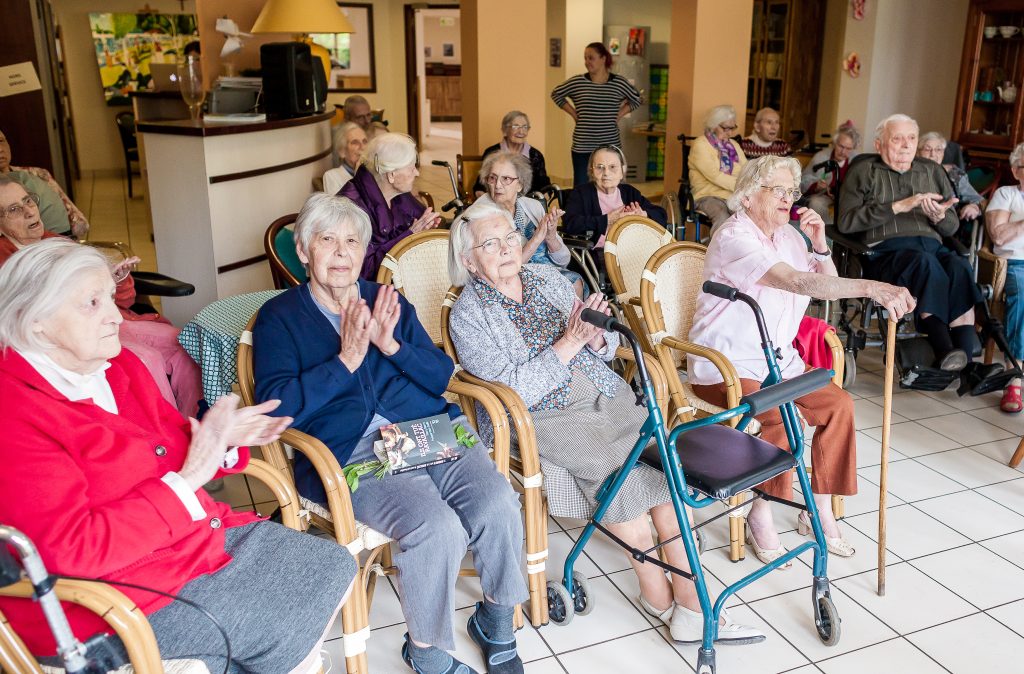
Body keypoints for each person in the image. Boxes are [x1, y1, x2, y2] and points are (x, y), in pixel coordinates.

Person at [0, 239, 356, 673]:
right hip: (109, 604)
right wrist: (186, 482)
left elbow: (170, 447)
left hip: (185, 544)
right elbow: (69, 552)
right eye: (92, 303)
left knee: (333, 565)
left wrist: (221, 440)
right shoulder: (14, 416)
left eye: (109, 298)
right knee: (287, 625)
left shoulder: (117, 366)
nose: (116, 317)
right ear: (35, 321)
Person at [447, 200, 764, 646]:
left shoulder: (546, 278)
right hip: (540, 416)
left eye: (511, 237)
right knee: (620, 474)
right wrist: (568, 343)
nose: (506, 248)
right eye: (490, 243)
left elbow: (607, 342)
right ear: (468, 260)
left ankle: (688, 601)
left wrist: (596, 338)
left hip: (603, 394)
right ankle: (663, 595)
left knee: (660, 461)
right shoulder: (468, 315)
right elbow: (511, 389)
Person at [253, 193, 526, 674]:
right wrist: (345, 362)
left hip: (431, 431)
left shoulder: (386, 300)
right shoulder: (280, 319)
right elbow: (276, 409)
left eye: (352, 241)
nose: (341, 252)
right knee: (436, 526)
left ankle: (496, 622)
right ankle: (427, 652)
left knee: (498, 502)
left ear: (364, 251)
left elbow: (439, 376)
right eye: (327, 240)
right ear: (303, 250)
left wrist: (392, 346)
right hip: (352, 452)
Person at [688, 155, 915, 564]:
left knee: (838, 406)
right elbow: (795, 281)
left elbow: (825, 283)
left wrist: (821, 245)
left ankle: (819, 509)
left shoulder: (790, 237)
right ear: (748, 196)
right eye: (778, 190)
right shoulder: (734, 236)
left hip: (779, 362)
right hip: (726, 366)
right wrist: (872, 287)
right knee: (779, 415)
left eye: (791, 191)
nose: (788, 199)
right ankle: (761, 510)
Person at [0, 176, 201, 417]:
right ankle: (166, 433)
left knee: (185, 343)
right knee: (147, 360)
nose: (29, 212)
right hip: (75, 335)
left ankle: (193, 422)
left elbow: (123, 302)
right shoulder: (7, 267)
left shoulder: (58, 243)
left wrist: (117, 280)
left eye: (28, 201)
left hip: (114, 320)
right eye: (14, 209)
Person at [838, 113, 981, 372]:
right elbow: (846, 222)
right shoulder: (864, 171)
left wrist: (939, 217)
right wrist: (897, 206)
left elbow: (952, 225)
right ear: (879, 144)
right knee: (924, 264)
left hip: (931, 246)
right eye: (897, 139)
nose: (906, 145)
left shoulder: (932, 171)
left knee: (959, 267)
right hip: (884, 252)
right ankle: (944, 350)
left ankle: (967, 367)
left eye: (912, 138)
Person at [473, 150, 583, 297]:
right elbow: (503, 271)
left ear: (520, 184)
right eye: (492, 178)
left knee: (574, 281)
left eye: (506, 179)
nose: (497, 185)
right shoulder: (482, 215)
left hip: (548, 277)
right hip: (509, 285)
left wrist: (550, 237)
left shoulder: (533, 206)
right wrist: (536, 239)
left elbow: (563, 261)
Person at [338, 133, 441, 280]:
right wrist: (410, 236)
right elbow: (364, 270)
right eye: (411, 168)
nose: (417, 173)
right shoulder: (349, 208)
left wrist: (426, 229)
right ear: (391, 175)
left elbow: (419, 221)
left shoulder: (397, 194)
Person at [551, 42, 642, 188]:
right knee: (582, 187)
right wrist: (574, 114)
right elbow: (556, 94)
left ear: (603, 58)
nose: (587, 62)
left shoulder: (618, 83)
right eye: (585, 58)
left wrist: (619, 114)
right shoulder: (578, 82)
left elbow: (637, 99)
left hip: (610, 146)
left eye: (591, 58)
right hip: (583, 146)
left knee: (610, 186)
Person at [562, 145, 667, 248]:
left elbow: (661, 215)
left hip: (633, 251)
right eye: (599, 167)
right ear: (592, 171)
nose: (606, 173)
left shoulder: (629, 192)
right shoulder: (581, 194)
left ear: (622, 171)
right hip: (598, 253)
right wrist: (607, 219)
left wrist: (643, 214)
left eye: (612, 167)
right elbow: (570, 224)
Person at [984, 142, 1024, 413]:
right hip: (1016, 263)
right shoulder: (1006, 195)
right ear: (1016, 170)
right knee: (1023, 295)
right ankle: (1014, 377)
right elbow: (998, 236)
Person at [0, 128, 88, 238]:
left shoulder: (38, 173)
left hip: (56, 239)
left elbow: (79, 222)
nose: (0, 149)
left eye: (1, 141)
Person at [690, 105, 748, 232]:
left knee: (747, 216)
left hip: (733, 195)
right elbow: (715, 176)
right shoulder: (700, 145)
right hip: (707, 195)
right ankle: (720, 245)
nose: (730, 133)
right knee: (722, 216)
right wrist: (743, 185)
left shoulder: (734, 145)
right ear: (713, 125)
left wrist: (747, 185)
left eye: (732, 128)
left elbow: (746, 170)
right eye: (726, 128)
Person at [472, 111, 551, 196]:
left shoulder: (536, 155)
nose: (521, 131)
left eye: (525, 127)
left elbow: (545, 187)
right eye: (515, 126)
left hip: (528, 202)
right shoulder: (492, 152)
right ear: (505, 130)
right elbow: (480, 186)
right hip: (497, 200)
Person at [918, 131, 984, 226]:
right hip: (915, 222)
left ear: (943, 153)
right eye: (927, 149)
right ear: (918, 153)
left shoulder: (953, 174)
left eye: (938, 149)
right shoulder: (910, 172)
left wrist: (974, 207)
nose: (933, 154)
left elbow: (977, 199)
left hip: (946, 225)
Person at [800, 122, 861, 224]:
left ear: (853, 148)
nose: (843, 151)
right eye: (841, 146)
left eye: (848, 148)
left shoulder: (856, 160)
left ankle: (846, 230)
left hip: (847, 199)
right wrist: (816, 186)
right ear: (834, 143)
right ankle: (825, 231)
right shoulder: (821, 157)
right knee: (815, 203)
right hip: (824, 196)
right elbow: (804, 180)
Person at [323, 121, 368, 194]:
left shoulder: (374, 172)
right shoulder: (332, 176)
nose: (362, 147)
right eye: (355, 142)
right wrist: (358, 176)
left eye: (365, 141)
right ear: (342, 151)